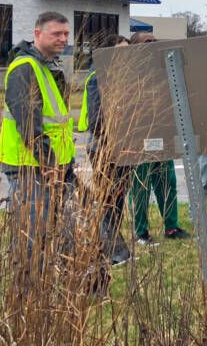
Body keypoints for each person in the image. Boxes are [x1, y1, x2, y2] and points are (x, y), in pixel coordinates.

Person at [0, 12, 79, 281]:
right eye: (56, 34)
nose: (63, 39)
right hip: (32, 166)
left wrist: (65, 160)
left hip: (52, 165)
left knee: (61, 227)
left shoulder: (47, 66)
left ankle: (61, 285)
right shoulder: (25, 67)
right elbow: (28, 121)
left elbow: (56, 121)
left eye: (66, 34)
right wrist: (48, 161)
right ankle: (28, 294)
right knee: (33, 234)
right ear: (37, 34)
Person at [127, 33, 191, 245]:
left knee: (167, 182)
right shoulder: (129, 74)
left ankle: (171, 227)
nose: (152, 45)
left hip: (161, 137)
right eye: (147, 42)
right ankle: (141, 232)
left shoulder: (164, 71)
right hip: (139, 138)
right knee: (140, 187)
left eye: (154, 42)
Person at [78, 34, 133, 265]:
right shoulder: (98, 75)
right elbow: (97, 118)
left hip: (120, 143)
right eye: (120, 50)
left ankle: (112, 248)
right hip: (105, 145)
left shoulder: (119, 76)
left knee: (117, 197)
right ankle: (108, 250)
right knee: (110, 198)